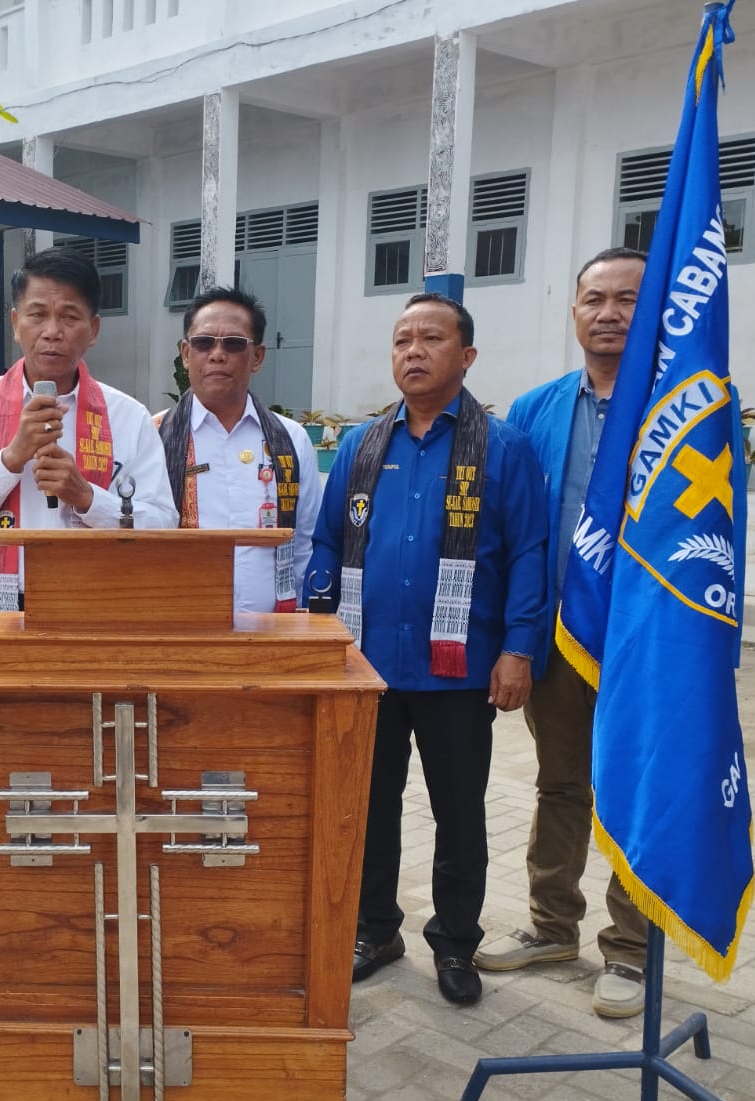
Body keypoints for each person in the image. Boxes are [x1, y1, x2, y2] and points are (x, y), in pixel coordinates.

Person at [305, 293, 547, 1006]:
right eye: (402, 339)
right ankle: (376, 929)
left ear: (465, 356)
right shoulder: (360, 444)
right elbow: (326, 541)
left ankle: (454, 942)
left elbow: (531, 552)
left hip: (458, 669)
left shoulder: (502, 448)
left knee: (458, 812)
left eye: (431, 339)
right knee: (369, 805)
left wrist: (520, 647)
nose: (413, 351)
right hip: (368, 666)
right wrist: (326, 632)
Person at [473, 247, 650, 1019]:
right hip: (556, 640)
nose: (608, 312)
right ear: (574, 311)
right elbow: (511, 534)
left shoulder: (685, 408)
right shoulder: (536, 410)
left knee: (635, 797)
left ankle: (634, 953)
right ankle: (553, 926)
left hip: (645, 647)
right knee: (561, 786)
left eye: (627, 299)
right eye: (594, 298)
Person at [0, 249, 175, 608]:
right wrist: (9, 460)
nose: (52, 332)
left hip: (102, 603)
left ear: (94, 330)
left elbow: (163, 527)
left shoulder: (128, 417)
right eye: (37, 315)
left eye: (69, 317)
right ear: (15, 323)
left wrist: (88, 498)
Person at [157, 285, 321, 614]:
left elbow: (305, 542)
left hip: (273, 631)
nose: (217, 354)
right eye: (204, 343)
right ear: (186, 354)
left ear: (257, 357)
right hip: (181, 626)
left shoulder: (291, 439)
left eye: (233, 344)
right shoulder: (154, 436)